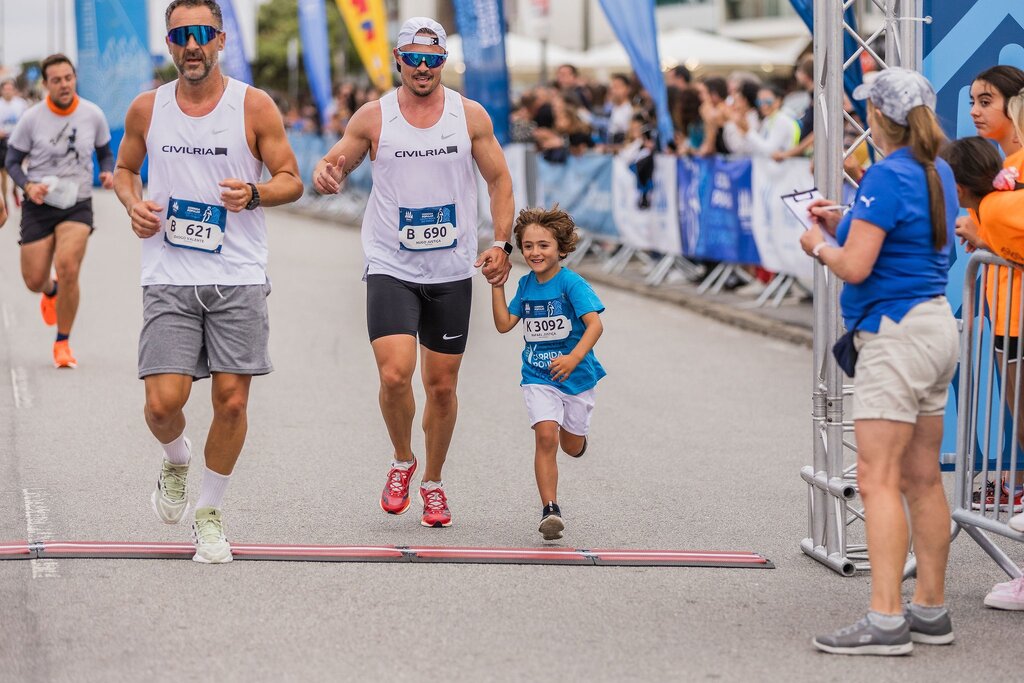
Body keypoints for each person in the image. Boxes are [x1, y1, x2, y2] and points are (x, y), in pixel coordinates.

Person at [113, 0, 303, 563]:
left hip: (237, 275)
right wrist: (132, 203)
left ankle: (210, 512)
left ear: (220, 40)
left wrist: (254, 193)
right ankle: (176, 460)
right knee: (161, 404)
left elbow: (291, 179)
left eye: (201, 34)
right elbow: (124, 170)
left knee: (232, 401)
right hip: (169, 272)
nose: (191, 45)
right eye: (180, 36)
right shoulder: (147, 109)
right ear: (169, 44)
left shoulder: (254, 105)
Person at [311, 16, 513, 528]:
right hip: (390, 265)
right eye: (413, 59)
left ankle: (434, 482)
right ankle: (403, 460)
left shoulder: (469, 116)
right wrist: (326, 171)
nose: (422, 68)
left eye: (432, 59)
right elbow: (339, 161)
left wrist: (502, 243)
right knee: (395, 374)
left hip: (450, 268)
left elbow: (499, 181)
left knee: (441, 386)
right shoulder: (374, 116)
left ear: (443, 62)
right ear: (398, 60)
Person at [799, 68, 959, 655]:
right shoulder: (935, 167)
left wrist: (819, 244)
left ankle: (886, 618)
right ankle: (929, 610)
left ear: (877, 118)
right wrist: (849, 224)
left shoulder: (888, 173)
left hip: (893, 337)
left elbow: (854, 267)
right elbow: (901, 239)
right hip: (935, 325)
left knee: (877, 478)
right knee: (922, 478)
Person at [943, 136, 1024, 610]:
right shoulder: (994, 209)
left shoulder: (996, 208)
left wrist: (983, 237)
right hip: (1010, 329)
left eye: (987, 101)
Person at [490, 206, 605, 540]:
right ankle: (550, 509)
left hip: (577, 377)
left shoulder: (571, 283)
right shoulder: (526, 286)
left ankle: (578, 439)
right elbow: (503, 325)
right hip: (538, 377)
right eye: (528, 246)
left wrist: (573, 358)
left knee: (570, 446)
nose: (535, 252)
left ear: (561, 249)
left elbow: (595, 326)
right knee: (545, 436)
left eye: (543, 245)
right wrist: (497, 284)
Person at [3, 54, 114, 368]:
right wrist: (28, 186)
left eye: (68, 78)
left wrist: (106, 172)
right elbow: (12, 162)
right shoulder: (32, 119)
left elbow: (105, 153)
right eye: (56, 80)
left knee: (68, 268)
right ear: (45, 84)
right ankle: (49, 291)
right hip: (39, 204)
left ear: (74, 78)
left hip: (77, 204)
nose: (64, 84)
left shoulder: (92, 114)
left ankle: (63, 343)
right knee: (34, 280)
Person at [0, 79, 29, 205]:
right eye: (5, 89)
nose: (8, 92)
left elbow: (27, 121)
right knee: (3, 173)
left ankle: (14, 190)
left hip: (17, 142)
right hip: (2, 142)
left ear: (14, 90)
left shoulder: (21, 104)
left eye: (10, 89)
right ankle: (5, 201)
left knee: (16, 169)